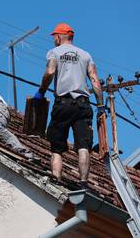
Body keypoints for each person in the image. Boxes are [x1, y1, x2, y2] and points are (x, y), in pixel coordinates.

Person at [34, 23, 105, 189]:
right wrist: (100, 105)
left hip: (63, 104)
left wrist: (41, 91)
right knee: (83, 145)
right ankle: (84, 182)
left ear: (58, 36)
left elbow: (50, 72)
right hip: (83, 105)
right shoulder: (86, 55)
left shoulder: (55, 52)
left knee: (56, 147)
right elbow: (94, 78)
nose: (53, 40)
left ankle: (56, 180)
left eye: (54, 37)